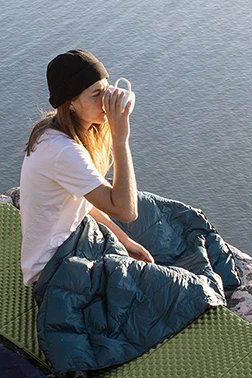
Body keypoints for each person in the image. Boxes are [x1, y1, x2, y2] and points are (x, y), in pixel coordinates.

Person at [19, 49, 155, 288]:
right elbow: (126, 211)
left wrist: (124, 241)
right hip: (53, 270)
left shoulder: (60, 128)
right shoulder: (63, 151)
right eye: (96, 94)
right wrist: (120, 139)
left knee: (154, 208)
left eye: (107, 88)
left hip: (71, 240)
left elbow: (85, 203)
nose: (107, 99)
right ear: (71, 103)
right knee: (168, 290)